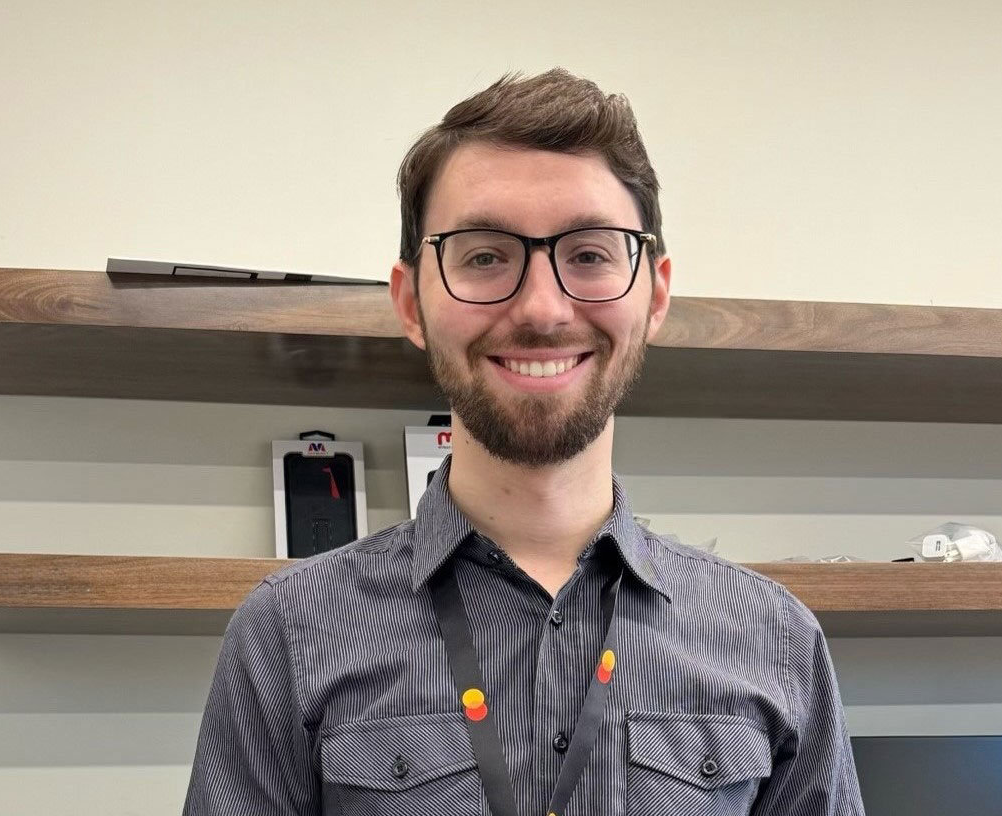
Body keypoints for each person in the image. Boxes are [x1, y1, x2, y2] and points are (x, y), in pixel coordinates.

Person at [183, 68, 864, 815]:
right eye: (484, 256)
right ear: (411, 302)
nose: (543, 308)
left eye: (590, 254)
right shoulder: (287, 634)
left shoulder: (776, 640)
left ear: (656, 295)